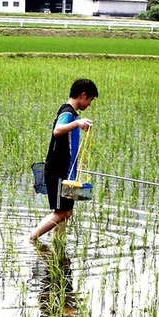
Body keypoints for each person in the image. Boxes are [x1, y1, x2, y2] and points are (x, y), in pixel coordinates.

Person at [30, 79, 98, 242]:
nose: (89, 104)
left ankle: (58, 245)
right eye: (90, 100)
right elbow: (57, 131)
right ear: (83, 95)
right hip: (58, 170)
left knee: (67, 212)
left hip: (65, 171)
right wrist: (77, 123)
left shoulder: (71, 114)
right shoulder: (67, 113)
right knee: (62, 212)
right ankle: (32, 239)